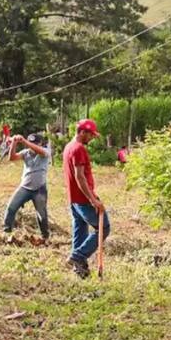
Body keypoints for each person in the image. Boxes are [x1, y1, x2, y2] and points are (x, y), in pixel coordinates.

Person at [62, 119, 109, 278]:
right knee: (104, 228)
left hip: (73, 198)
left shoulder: (68, 146)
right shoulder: (78, 149)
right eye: (90, 135)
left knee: (80, 231)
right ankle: (78, 256)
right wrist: (93, 199)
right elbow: (79, 177)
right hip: (83, 199)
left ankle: (80, 270)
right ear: (82, 132)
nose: (91, 138)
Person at [3, 133, 51, 241]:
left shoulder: (45, 152)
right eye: (31, 143)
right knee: (11, 208)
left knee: (41, 214)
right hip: (25, 187)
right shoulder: (26, 153)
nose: (32, 146)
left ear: (40, 143)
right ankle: (7, 232)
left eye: (35, 143)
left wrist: (24, 141)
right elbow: (12, 158)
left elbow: (40, 151)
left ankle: (45, 237)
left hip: (39, 189)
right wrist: (14, 143)